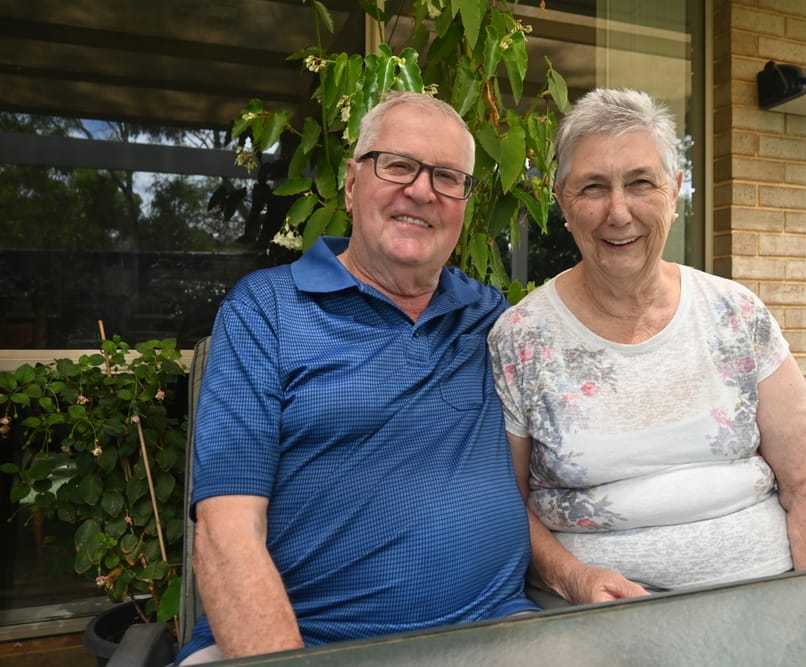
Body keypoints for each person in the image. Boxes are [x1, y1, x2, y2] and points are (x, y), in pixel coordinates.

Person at [176, 91, 537, 664]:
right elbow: (226, 535)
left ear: (465, 203)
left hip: (499, 635)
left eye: (447, 177)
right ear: (351, 182)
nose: (421, 190)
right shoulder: (266, 311)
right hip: (304, 644)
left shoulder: (491, 317)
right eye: (398, 165)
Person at [487, 88, 806, 606]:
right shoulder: (521, 339)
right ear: (563, 199)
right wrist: (572, 577)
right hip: (598, 615)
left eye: (640, 183)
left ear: (674, 191)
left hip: (771, 597)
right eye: (592, 187)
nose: (618, 211)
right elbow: (506, 505)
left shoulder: (737, 314)